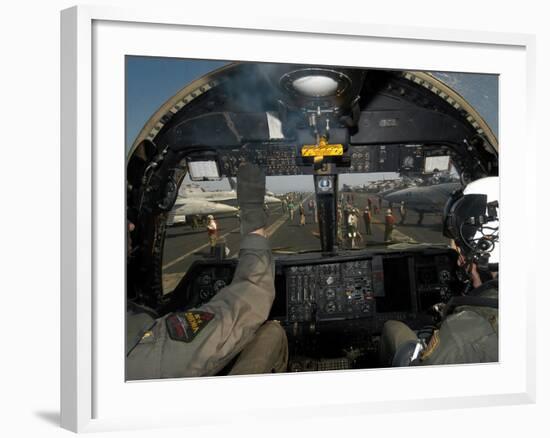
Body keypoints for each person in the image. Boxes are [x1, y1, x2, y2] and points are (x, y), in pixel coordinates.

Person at [126, 164, 288, 379]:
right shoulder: (138, 348)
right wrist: (253, 215)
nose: (130, 225)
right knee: (272, 332)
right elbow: (250, 295)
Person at [379, 176, 499, 367]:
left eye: (462, 248)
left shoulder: (460, 335)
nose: (460, 261)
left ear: (487, 246)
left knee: (392, 328)